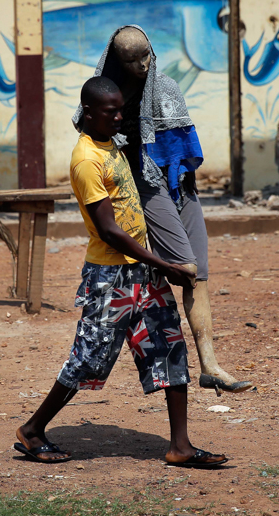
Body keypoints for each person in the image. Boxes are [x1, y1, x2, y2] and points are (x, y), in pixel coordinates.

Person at [14, 76, 228, 468]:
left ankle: (180, 446)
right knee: (89, 357)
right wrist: (165, 264)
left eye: (120, 110)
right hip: (110, 278)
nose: (118, 117)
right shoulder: (86, 160)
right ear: (88, 112)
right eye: (110, 112)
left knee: (169, 348)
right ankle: (32, 430)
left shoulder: (113, 144)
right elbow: (109, 231)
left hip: (143, 272)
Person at [72, 25, 251, 394]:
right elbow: (100, 147)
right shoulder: (107, 96)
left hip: (178, 179)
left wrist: (183, 176)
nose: (142, 65)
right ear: (117, 60)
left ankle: (210, 365)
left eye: (146, 56)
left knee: (199, 272)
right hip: (144, 184)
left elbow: (182, 140)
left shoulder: (166, 87)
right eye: (132, 60)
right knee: (184, 267)